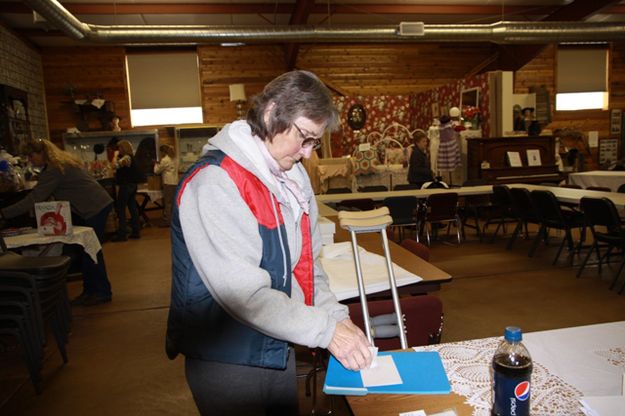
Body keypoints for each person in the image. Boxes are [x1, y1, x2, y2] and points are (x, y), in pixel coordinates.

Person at [166, 70, 373, 415]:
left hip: (276, 345)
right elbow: (244, 295)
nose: (308, 154)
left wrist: (338, 318)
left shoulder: (291, 175)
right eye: (304, 137)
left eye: (314, 142)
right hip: (226, 355)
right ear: (270, 114)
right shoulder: (215, 182)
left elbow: (306, 267)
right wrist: (326, 331)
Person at [0, 139, 113, 306]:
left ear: (41, 153)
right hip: (96, 205)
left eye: (31, 155)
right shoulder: (59, 163)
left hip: (93, 207)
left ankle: (101, 292)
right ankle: (92, 291)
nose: (30, 160)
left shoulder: (53, 170)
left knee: (90, 252)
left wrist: (4, 213)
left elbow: (35, 198)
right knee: (88, 251)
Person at [111, 139, 144, 241]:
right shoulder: (131, 158)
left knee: (121, 209)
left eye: (119, 148)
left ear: (123, 148)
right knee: (132, 208)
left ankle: (122, 234)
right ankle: (136, 231)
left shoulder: (126, 158)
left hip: (125, 186)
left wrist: (115, 156)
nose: (118, 150)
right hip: (132, 185)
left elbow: (114, 165)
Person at [153, 144, 177, 226]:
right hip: (175, 182)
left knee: (168, 203)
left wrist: (156, 164)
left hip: (168, 183)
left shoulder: (165, 160)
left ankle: (168, 221)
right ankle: (174, 221)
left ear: (163, 152)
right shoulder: (174, 158)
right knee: (173, 203)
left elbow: (156, 171)